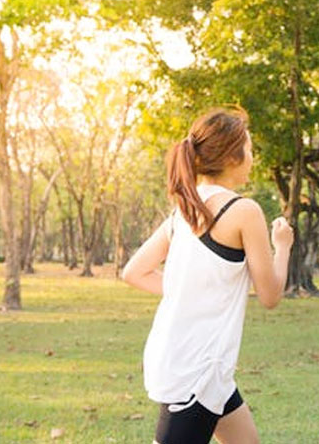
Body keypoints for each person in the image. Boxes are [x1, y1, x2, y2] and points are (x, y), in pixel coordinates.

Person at [122, 106, 294, 444]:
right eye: (250, 149)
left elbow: (134, 272)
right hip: (195, 371)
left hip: (201, 365)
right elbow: (270, 295)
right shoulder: (244, 211)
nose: (253, 158)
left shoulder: (184, 209)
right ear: (232, 156)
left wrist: (190, 292)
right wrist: (283, 245)